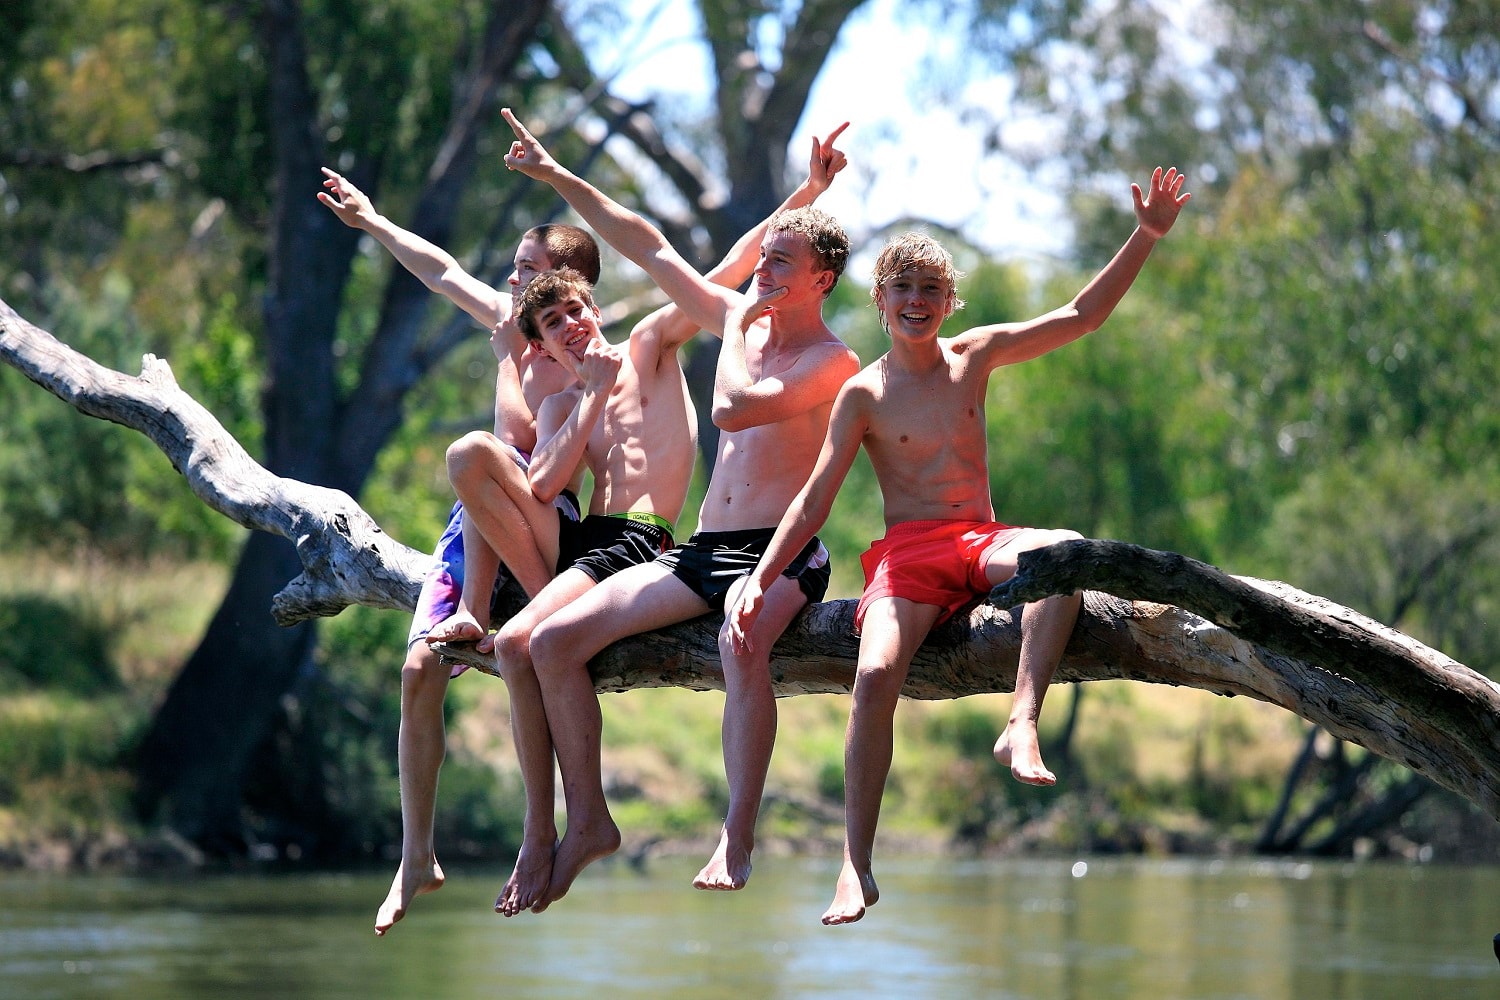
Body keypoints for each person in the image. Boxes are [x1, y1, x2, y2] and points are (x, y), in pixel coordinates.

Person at [725, 166, 1192, 925]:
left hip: (981, 536)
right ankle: (855, 865)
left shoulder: (975, 355)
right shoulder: (863, 393)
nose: (916, 302)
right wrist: (761, 576)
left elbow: (1081, 314)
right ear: (880, 300)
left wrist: (1145, 235)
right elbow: (815, 497)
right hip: (911, 553)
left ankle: (1022, 721)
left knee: (1064, 553)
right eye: (902, 288)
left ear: (950, 303)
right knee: (874, 672)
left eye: (930, 291)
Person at [451, 127, 851, 919]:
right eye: (763, 258)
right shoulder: (723, 324)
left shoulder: (827, 359)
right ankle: (589, 821)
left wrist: (740, 316)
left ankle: (737, 835)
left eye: (780, 262)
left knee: (743, 646)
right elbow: (650, 242)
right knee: (551, 643)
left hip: (782, 551)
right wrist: (558, 172)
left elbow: (739, 403)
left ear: (820, 279)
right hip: (704, 550)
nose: (762, 271)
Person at [318, 170, 599, 935]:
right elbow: (440, 269)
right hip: (472, 519)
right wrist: (374, 221)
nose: (510, 279)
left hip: (548, 529)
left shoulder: (590, 355)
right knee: (415, 669)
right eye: (512, 268)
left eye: (527, 269)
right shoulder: (508, 327)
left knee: (476, 454)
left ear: (567, 284)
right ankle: (416, 857)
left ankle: (549, 824)